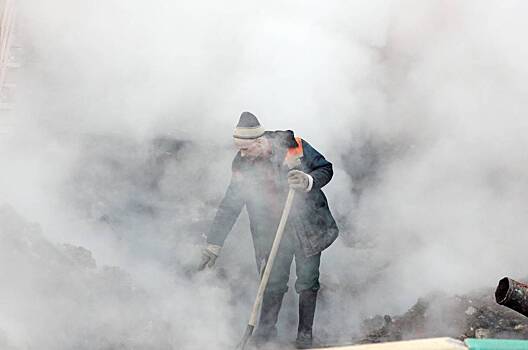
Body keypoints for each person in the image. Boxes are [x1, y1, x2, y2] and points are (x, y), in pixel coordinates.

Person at [200, 111, 338, 348]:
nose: (241, 154)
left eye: (245, 149)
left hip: (307, 226)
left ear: (260, 141)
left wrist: (307, 180)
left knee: (307, 280)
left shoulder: (294, 147)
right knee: (272, 280)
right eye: (238, 149)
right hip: (271, 231)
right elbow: (230, 205)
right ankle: (265, 334)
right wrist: (214, 244)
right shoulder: (242, 164)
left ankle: (305, 334)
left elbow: (325, 168)